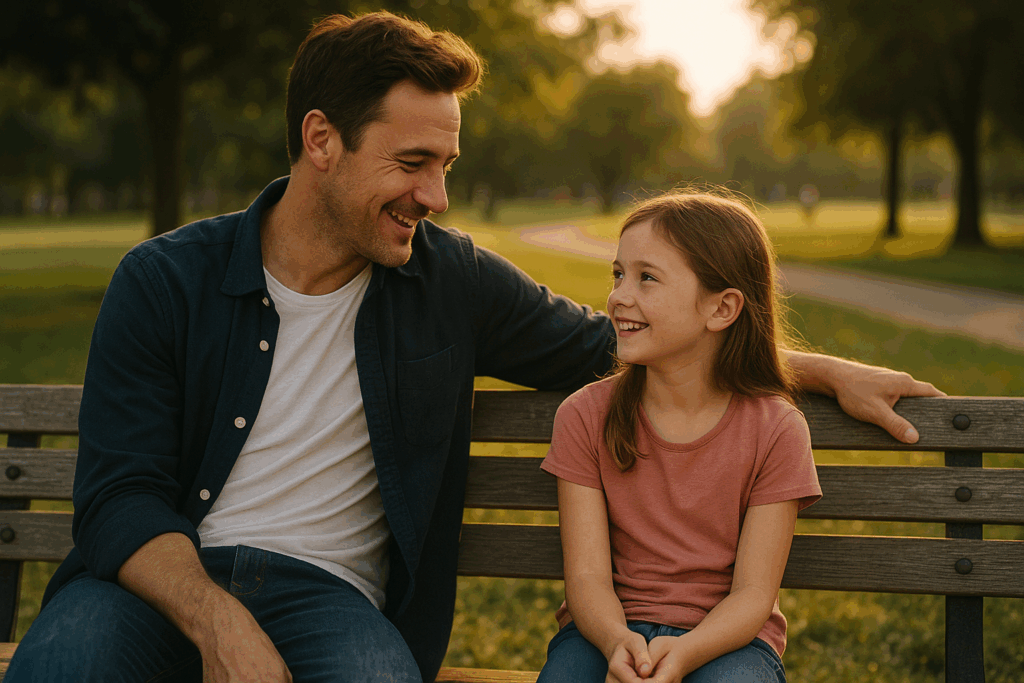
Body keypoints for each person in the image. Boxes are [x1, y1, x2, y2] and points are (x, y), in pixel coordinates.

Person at [6, 11, 941, 683]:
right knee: (63, 664)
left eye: (446, 165)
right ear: (320, 141)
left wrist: (816, 369)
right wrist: (220, 623)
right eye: (413, 164)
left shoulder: (449, 279)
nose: (436, 197)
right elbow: (120, 497)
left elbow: (613, 347)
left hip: (332, 599)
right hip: (163, 580)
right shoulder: (164, 279)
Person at [536, 192, 821, 683]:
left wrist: (685, 653)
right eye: (619, 273)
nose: (620, 296)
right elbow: (586, 580)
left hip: (729, 641)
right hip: (603, 630)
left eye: (647, 277)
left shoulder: (776, 431)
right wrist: (616, 642)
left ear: (721, 308)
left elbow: (753, 595)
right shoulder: (584, 416)